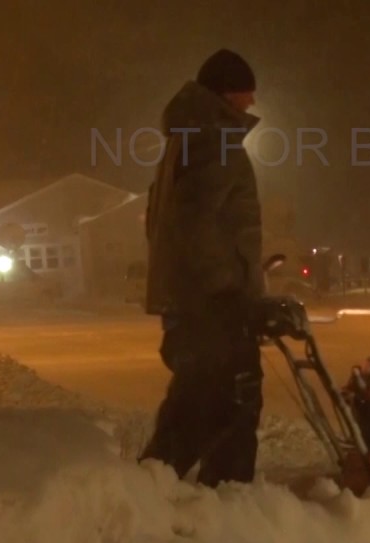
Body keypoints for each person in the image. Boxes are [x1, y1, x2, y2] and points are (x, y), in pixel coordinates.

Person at [139, 49, 264, 486]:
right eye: (246, 95)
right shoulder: (216, 141)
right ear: (226, 94)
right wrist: (226, 289)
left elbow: (183, 225)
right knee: (233, 402)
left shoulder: (187, 139)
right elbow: (194, 225)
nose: (251, 104)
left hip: (193, 303)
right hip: (213, 308)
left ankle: (154, 486)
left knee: (196, 404)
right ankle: (226, 500)